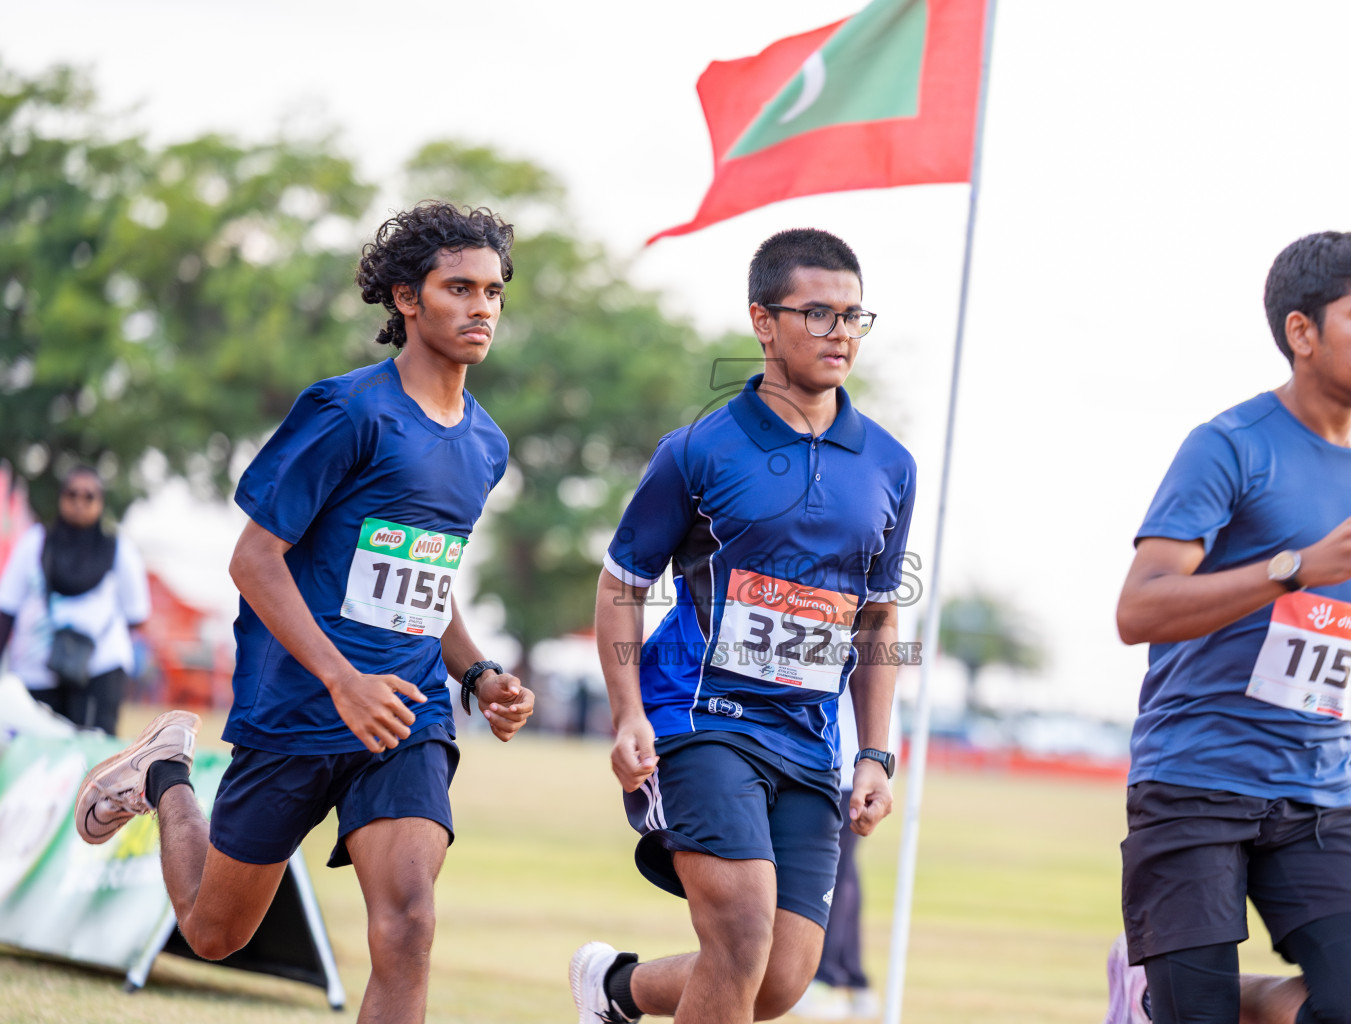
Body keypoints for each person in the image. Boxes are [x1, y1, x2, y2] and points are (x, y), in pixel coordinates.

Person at [73, 201, 536, 1024]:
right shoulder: (347, 412)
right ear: (406, 298)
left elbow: (431, 573)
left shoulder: (486, 444)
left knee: (410, 925)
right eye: (458, 287)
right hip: (300, 705)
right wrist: (342, 678)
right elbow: (254, 559)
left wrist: (476, 670)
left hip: (407, 715)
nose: (481, 308)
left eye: (493, 291)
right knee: (215, 932)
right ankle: (165, 777)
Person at [571, 228, 916, 1024]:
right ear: (763, 321)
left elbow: (878, 615)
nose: (840, 335)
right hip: (698, 721)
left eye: (854, 317)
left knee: (779, 980)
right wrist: (626, 713)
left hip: (808, 740)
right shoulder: (699, 450)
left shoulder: (891, 464)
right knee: (741, 930)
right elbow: (622, 583)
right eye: (818, 314)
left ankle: (613, 991)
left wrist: (874, 754)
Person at [1107, 231, 1351, 1024]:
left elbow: (1331, 613)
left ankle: (1155, 995)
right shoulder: (1228, 448)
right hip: (1195, 779)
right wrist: (1292, 564)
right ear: (1301, 333)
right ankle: (1153, 995)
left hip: (1318, 788)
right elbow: (1140, 608)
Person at [0, 466, 150, 734]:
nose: (79, 502)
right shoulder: (35, 543)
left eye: (89, 496)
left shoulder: (119, 551)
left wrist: (87, 641)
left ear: (100, 502)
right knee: (37, 754)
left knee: (94, 756)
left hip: (99, 669)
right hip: (37, 669)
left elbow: (137, 615)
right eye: (72, 494)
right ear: (61, 498)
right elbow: (6, 608)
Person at [790, 685, 892, 1020]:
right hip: (848, 749)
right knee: (844, 869)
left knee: (833, 870)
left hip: (843, 751)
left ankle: (825, 978)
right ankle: (853, 977)